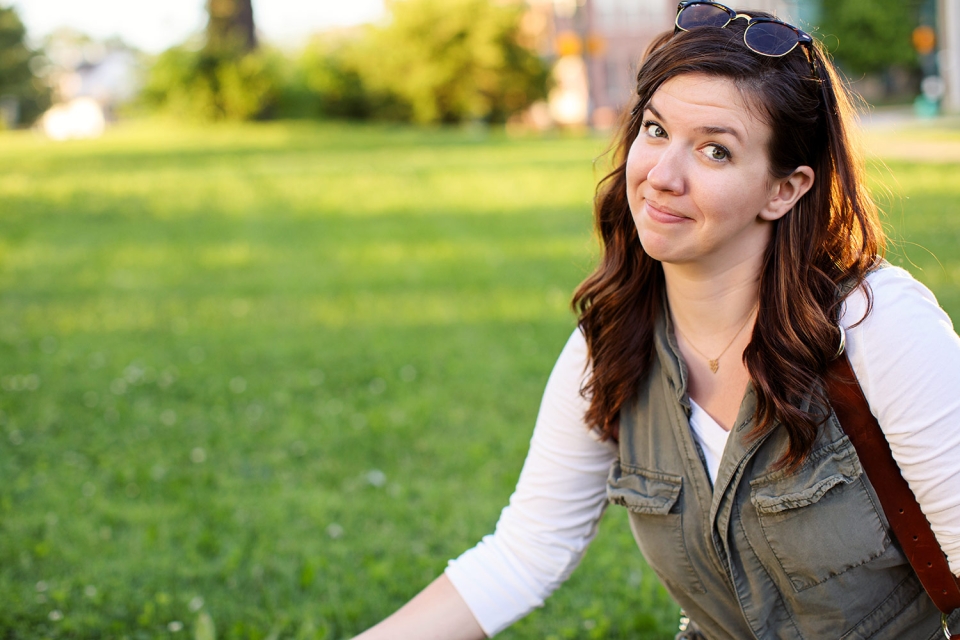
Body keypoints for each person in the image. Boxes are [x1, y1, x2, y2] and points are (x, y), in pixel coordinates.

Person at [355, 3, 960, 638]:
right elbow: (523, 555)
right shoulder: (613, 343)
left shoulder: (874, 324)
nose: (662, 176)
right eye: (656, 130)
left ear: (784, 189)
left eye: (716, 151)